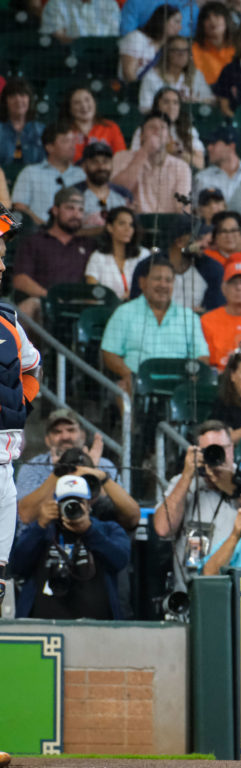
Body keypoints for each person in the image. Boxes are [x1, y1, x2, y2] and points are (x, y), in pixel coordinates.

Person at [8, 475, 131, 619]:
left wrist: (89, 531)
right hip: (43, 628)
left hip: (97, 629)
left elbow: (120, 560)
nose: (72, 506)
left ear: (88, 504)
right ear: (55, 504)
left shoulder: (108, 529)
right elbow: (17, 566)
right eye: (65, 502)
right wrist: (40, 525)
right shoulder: (43, 530)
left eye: (78, 502)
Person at [0, 205, 41, 610]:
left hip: (3, 467)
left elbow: (31, 367)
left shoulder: (8, 320)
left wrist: (19, 405)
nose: (0, 263)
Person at [152, 420, 241, 589]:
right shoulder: (182, 483)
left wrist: (231, 485)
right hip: (192, 592)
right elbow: (163, 528)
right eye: (209, 450)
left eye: (221, 449)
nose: (216, 455)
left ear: (231, 449)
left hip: (240, 590)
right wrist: (187, 475)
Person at [100, 257, 210, 395]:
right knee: (122, 390)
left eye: (168, 280)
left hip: (179, 387)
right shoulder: (125, 312)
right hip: (137, 384)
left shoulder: (189, 317)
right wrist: (128, 374)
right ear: (142, 283)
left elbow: (202, 356)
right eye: (157, 279)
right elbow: (109, 352)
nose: (163, 285)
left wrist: (192, 376)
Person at [11, 187, 91, 322]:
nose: (76, 214)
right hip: (43, 302)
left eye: (80, 210)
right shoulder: (35, 241)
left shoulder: (89, 245)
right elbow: (20, 280)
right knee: (29, 306)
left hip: (79, 306)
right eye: (70, 208)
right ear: (55, 210)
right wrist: (51, 297)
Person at [15, 409, 117, 511]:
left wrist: (91, 470)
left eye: (71, 430)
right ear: (47, 440)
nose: (65, 437)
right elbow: (24, 514)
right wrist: (58, 474)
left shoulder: (104, 465)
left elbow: (119, 510)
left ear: (83, 435)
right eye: (57, 432)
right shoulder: (32, 467)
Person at [128, 215, 226, 314]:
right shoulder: (147, 267)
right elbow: (136, 309)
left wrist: (202, 313)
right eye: (198, 239)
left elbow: (215, 313)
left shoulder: (213, 269)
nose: (205, 244)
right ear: (180, 242)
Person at [110, 112, 192, 215]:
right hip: (133, 223)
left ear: (169, 138)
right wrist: (144, 152)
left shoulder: (181, 167)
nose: (157, 131)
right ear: (142, 136)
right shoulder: (121, 157)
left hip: (168, 224)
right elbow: (118, 191)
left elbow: (183, 207)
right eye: (152, 127)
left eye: (162, 128)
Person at [11, 121, 86, 226]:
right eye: (66, 141)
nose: (72, 146)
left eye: (73, 141)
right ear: (50, 147)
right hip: (39, 234)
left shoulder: (82, 174)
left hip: (76, 234)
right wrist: (45, 227)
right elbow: (20, 207)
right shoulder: (30, 172)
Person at [130, 86, 205, 170]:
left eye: (175, 103)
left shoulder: (189, 129)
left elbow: (200, 164)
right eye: (166, 102)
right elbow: (134, 159)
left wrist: (179, 152)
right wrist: (165, 151)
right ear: (157, 106)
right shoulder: (143, 129)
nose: (171, 107)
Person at [84, 207, 148, 300]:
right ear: (110, 227)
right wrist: (112, 299)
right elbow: (93, 289)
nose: (128, 229)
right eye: (122, 223)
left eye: (131, 225)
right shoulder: (98, 257)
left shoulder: (143, 254)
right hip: (108, 309)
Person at [193, 125, 241, 217]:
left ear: (231, 146)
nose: (209, 148)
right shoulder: (202, 177)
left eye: (214, 144)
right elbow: (196, 212)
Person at [139, 35, 215, 112]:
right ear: (167, 53)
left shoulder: (196, 75)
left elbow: (211, 100)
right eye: (176, 50)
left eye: (186, 50)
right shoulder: (152, 77)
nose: (182, 54)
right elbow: (145, 108)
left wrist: (196, 101)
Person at [74, 143, 134, 235]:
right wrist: (105, 230)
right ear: (84, 166)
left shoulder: (124, 195)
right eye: (95, 162)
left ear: (112, 165)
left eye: (105, 162)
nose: (101, 167)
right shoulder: (73, 194)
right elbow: (66, 233)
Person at [60, 88, 126, 165]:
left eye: (87, 100)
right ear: (70, 109)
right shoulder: (63, 130)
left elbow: (121, 158)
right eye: (77, 103)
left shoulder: (111, 127)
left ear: (94, 102)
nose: (84, 106)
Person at [118, 3, 182, 83]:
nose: (180, 27)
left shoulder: (170, 45)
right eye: (176, 21)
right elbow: (128, 74)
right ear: (163, 20)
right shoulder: (137, 38)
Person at [0, 78, 45, 167]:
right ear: (5, 102)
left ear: (29, 99)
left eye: (22, 95)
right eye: (12, 96)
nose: (18, 100)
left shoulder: (41, 130)